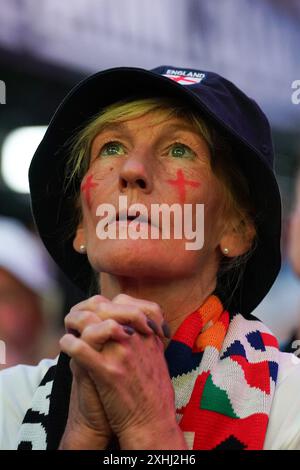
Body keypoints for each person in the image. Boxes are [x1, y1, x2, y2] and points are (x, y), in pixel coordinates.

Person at [1, 65, 300, 450]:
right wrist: (83, 435)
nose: (132, 169)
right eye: (112, 147)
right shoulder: (10, 402)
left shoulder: (289, 405)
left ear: (237, 229)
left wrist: (148, 428)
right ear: (80, 225)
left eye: (180, 149)